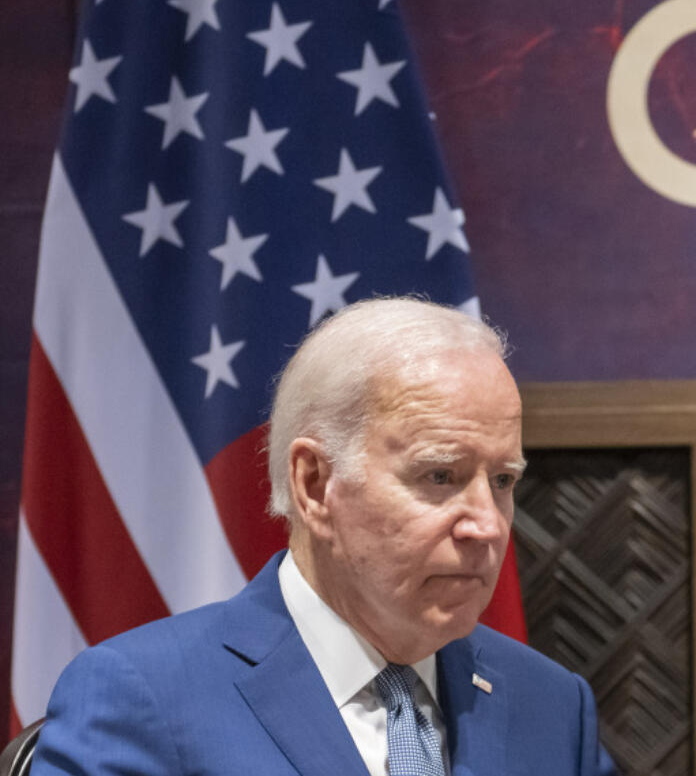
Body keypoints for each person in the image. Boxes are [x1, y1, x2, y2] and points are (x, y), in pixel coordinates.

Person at [31, 297, 617, 776]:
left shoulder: (553, 707)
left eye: (503, 480)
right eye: (440, 476)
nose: (487, 524)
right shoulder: (143, 699)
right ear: (315, 485)